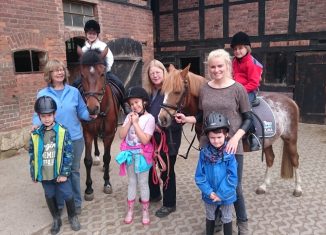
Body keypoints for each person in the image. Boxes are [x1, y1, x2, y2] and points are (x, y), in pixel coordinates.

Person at [175, 49, 252, 234]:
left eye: (220, 66)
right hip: (208, 143)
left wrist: (235, 138)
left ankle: (242, 224)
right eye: (212, 67)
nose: (216, 70)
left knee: (235, 187)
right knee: (212, 183)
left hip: (232, 145)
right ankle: (217, 220)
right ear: (208, 68)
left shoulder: (238, 89)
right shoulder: (205, 89)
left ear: (227, 66)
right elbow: (202, 115)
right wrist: (188, 119)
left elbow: (248, 118)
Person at [32, 59, 96, 215]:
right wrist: (35, 124)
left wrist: (91, 115)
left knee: (73, 171)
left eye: (61, 69)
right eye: (55, 70)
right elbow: (37, 114)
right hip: (51, 139)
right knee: (55, 171)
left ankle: (76, 203)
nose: (60, 72)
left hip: (74, 138)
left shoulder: (74, 92)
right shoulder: (43, 94)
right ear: (49, 74)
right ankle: (59, 204)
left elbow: (81, 111)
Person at [29, 96, 80, 234]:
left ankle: (72, 216)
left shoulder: (63, 131)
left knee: (68, 194)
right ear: (39, 116)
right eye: (43, 116)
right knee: (49, 195)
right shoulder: (35, 134)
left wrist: (64, 173)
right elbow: (32, 155)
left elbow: (69, 154)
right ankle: (56, 219)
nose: (47, 119)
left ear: (55, 114)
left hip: (60, 174)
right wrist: (34, 173)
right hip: (45, 175)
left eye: (49, 115)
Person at [143, 59, 183, 218]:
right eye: (151, 73)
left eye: (157, 72)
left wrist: (163, 125)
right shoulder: (148, 92)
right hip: (151, 137)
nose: (155, 75)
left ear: (163, 72)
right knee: (150, 166)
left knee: (167, 170)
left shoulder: (171, 90)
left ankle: (169, 203)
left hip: (169, 137)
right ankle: (154, 194)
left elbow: (178, 114)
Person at [116, 86, 155, 225]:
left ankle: (145, 211)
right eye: (131, 104)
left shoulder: (149, 118)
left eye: (137, 102)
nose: (134, 106)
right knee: (132, 182)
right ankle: (130, 210)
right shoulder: (128, 116)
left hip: (143, 156)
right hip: (129, 155)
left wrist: (136, 123)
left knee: (143, 183)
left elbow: (145, 140)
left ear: (144, 102)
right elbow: (121, 135)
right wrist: (129, 122)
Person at [195, 112, 237, 235]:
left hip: (227, 195)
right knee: (210, 216)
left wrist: (221, 194)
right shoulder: (204, 153)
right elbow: (199, 176)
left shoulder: (230, 154)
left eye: (219, 137)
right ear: (207, 136)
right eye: (212, 138)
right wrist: (209, 192)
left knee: (227, 217)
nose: (216, 141)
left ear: (226, 135)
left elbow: (233, 177)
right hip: (210, 195)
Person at [80, 19, 129, 114]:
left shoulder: (103, 46)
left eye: (94, 33)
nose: (91, 35)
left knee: (119, 83)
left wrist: (105, 70)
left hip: (103, 73)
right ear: (86, 34)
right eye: (89, 33)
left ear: (97, 34)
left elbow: (110, 58)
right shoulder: (84, 48)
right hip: (88, 75)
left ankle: (124, 104)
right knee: (75, 85)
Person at [231, 31, 263, 151]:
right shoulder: (234, 61)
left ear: (247, 48)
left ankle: (253, 135)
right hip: (236, 90)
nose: (237, 51)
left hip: (249, 92)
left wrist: (240, 91)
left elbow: (254, 83)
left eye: (240, 48)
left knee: (245, 108)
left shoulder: (250, 63)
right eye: (235, 49)